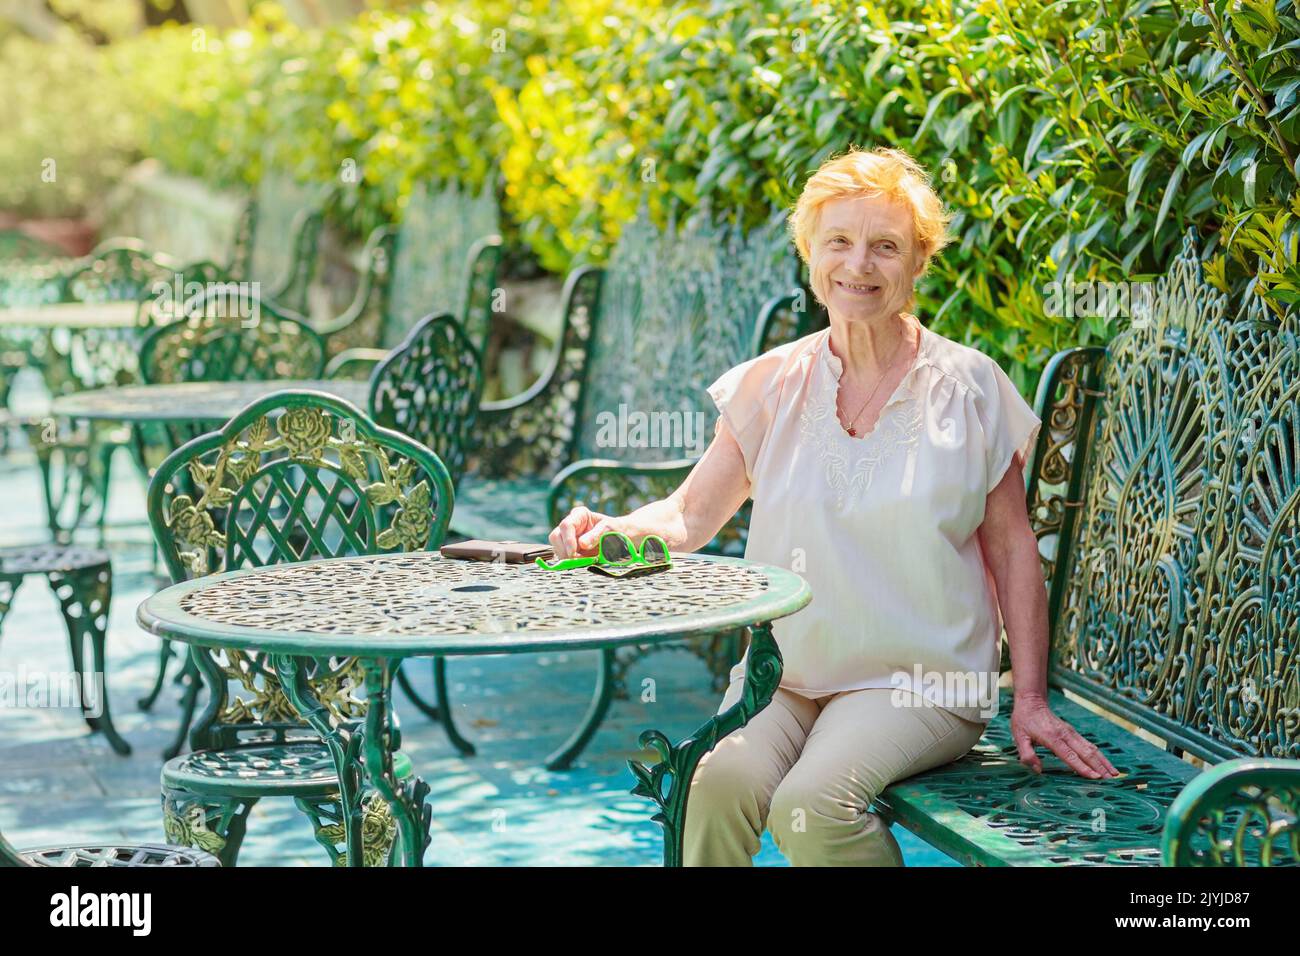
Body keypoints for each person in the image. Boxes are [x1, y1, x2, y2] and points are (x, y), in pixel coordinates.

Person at [547, 146, 1118, 866]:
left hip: (917, 680)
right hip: (783, 675)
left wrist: (1029, 698)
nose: (860, 265)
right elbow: (689, 516)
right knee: (713, 782)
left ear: (918, 262)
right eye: (839, 243)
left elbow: (1012, 551)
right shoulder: (772, 384)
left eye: (886, 247)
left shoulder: (970, 387)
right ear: (811, 257)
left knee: (812, 808)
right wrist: (612, 531)